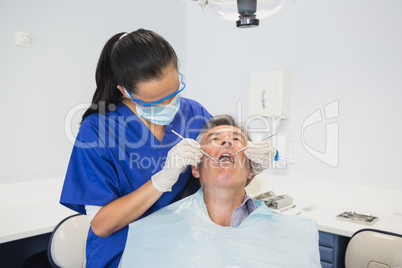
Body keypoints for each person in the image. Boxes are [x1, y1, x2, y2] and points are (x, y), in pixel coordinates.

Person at [59, 29, 212, 267]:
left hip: (182, 250)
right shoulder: (98, 129)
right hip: (124, 255)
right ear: (124, 91)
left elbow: (216, 176)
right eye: (155, 101)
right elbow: (101, 224)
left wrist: (249, 164)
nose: (170, 105)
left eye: (174, 93)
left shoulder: (194, 113)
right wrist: (162, 180)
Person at [121, 115, 321, 267]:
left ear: (252, 169)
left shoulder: (294, 236)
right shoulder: (153, 233)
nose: (227, 142)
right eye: (215, 139)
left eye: (237, 140)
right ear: (195, 168)